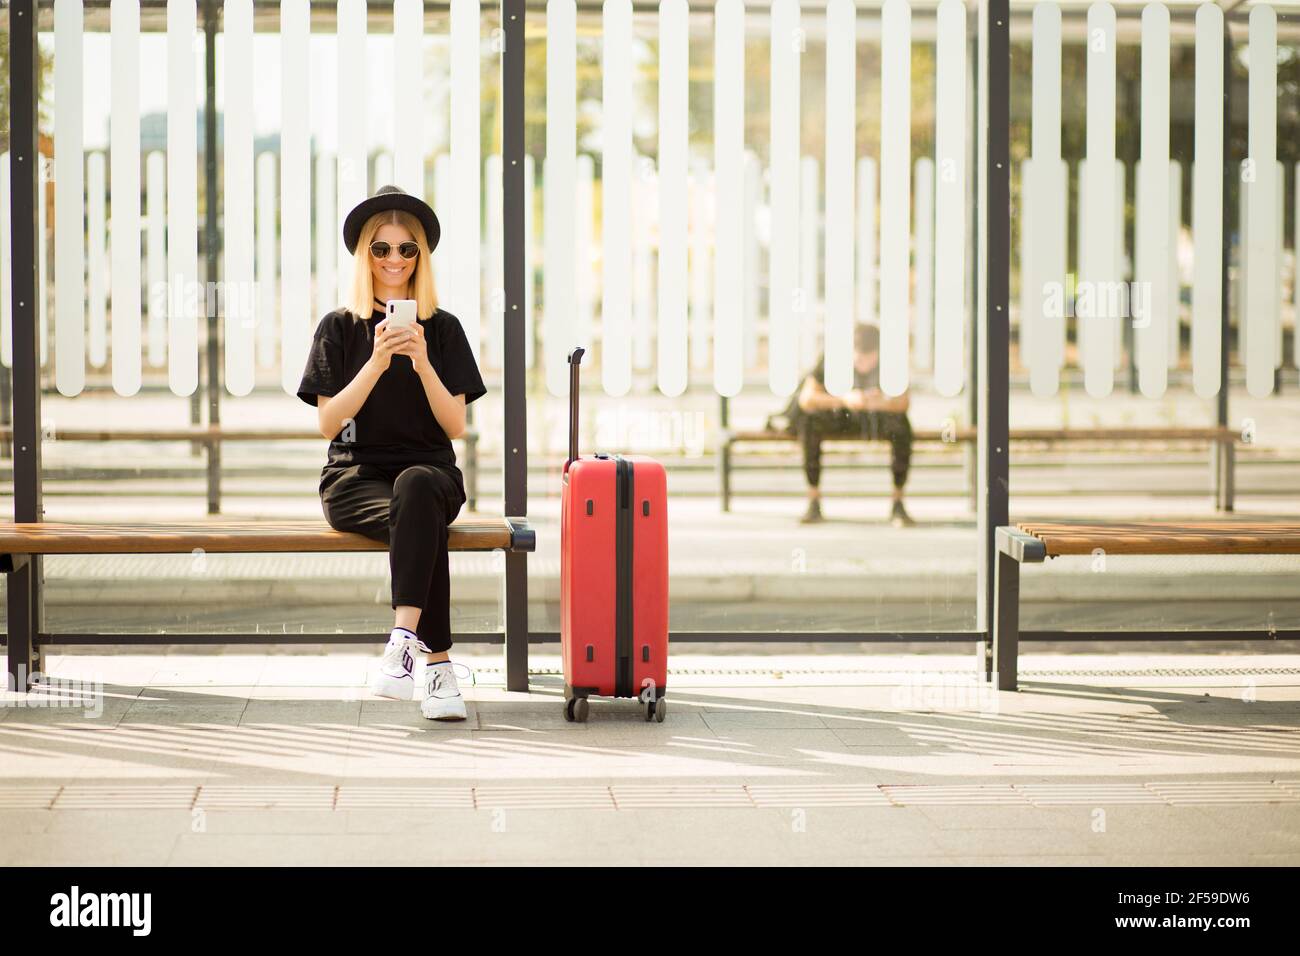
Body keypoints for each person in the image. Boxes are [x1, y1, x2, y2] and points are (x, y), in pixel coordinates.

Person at [296, 184, 486, 720]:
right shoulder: (338, 328)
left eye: (407, 248)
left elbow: (455, 427)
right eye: (382, 248)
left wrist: (423, 362)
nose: (395, 260)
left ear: (421, 256)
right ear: (365, 256)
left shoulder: (443, 330)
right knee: (418, 521)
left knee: (418, 490)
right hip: (354, 480)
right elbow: (329, 423)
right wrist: (375, 364)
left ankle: (402, 642)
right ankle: (440, 671)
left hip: (430, 473)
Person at [773, 323, 915, 527]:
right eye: (859, 359)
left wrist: (878, 402)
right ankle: (814, 500)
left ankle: (898, 502)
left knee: (901, 426)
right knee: (810, 422)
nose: (864, 365)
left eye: (870, 359)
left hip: (874, 416)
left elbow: (904, 402)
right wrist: (844, 399)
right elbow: (807, 399)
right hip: (841, 414)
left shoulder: (891, 362)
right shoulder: (833, 358)